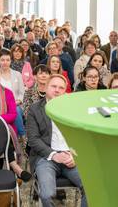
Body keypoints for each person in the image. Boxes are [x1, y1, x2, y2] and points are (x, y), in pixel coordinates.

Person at [26, 74, 88, 207]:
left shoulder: (72, 109)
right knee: (47, 195)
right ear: (46, 87)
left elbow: (82, 137)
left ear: (65, 91)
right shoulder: (35, 109)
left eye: (61, 88)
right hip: (46, 157)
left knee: (92, 188)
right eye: (54, 86)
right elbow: (33, 139)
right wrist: (54, 155)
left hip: (70, 156)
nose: (57, 90)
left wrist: (74, 155)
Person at [0, 49, 26, 137]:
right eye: (2, 60)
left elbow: (22, 93)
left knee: (16, 110)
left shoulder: (17, 74)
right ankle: (21, 137)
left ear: (11, 61)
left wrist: (15, 102)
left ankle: (21, 137)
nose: (5, 62)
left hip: (16, 104)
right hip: (0, 106)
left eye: (7, 60)